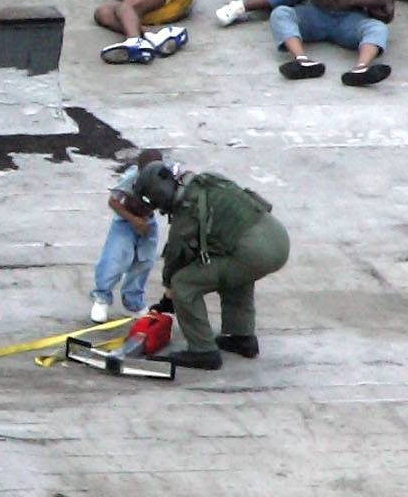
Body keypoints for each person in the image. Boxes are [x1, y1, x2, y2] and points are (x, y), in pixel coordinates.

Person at [133, 159, 289, 370]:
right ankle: (241, 336)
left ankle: (202, 351)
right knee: (233, 267)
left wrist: (168, 298)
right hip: (276, 238)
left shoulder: (188, 207)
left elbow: (177, 255)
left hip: (255, 253)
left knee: (184, 284)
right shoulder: (208, 181)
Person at [89, 148, 163, 324]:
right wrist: (134, 220)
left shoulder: (164, 177)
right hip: (125, 220)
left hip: (148, 221)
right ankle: (102, 298)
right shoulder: (130, 179)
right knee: (114, 259)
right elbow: (113, 201)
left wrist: (145, 220)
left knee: (144, 262)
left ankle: (134, 303)